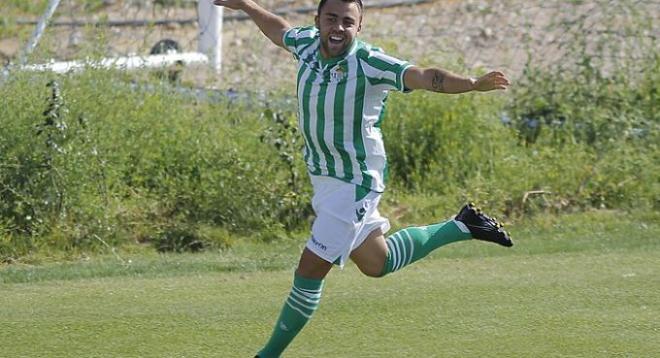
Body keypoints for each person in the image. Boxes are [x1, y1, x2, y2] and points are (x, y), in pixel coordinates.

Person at [213, 0, 513, 356]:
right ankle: (462, 225)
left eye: (347, 22)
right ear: (318, 21)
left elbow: (422, 75)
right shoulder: (307, 44)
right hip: (325, 179)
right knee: (376, 262)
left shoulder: (369, 62)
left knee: (310, 269)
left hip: (356, 181)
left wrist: (472, 84)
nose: (338, 28)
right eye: (331, 19)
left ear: (359, 27)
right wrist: (245, 5)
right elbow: (277, 28)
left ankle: (267, 355)